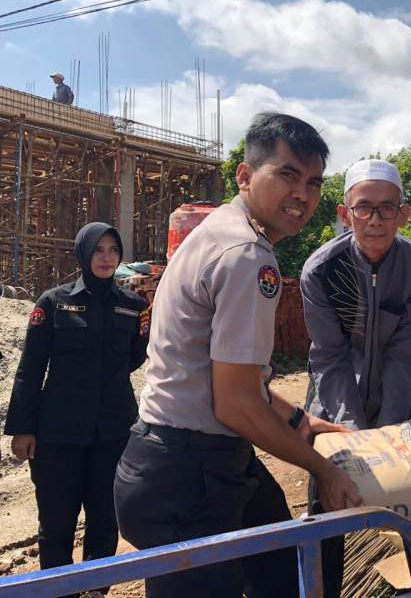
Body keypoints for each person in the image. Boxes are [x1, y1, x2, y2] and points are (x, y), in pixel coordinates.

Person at [113, 112, 362, 598]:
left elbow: (238, 382)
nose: (303, 194)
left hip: (188, 461)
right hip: (188, 477)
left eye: (313, 182)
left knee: (283, 572)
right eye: (288, 175)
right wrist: (323, 469)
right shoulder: (247, 255)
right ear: (245, 176)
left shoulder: (216, 232)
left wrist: (302, 421)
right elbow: (236, 404)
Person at [301, 158, 411, 598]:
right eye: (364, 207)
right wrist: (353, 435)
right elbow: (330, 357)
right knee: (326, 514)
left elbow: (406, 357)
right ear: (345, 214)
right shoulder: (321, 271)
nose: (376, 219)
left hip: (401, 410)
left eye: (388, 208)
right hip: (332, 412)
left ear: (404, 214)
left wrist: (387, 436)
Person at [5, 222, 149, 598]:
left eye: (113, 250)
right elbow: (31, 368)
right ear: (83, 253)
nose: (106, 257)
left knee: (105, 520)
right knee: (56, 524)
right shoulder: (53, 302)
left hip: (113, 433)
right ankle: (59, 592)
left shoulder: (134, 307)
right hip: (58, 435)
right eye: (98, 249)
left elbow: (136, 357)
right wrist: (23, 428)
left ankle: (95, 591)